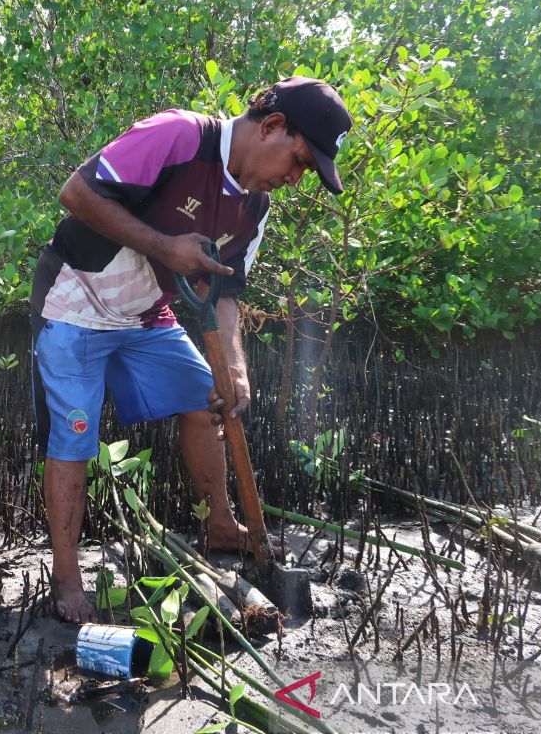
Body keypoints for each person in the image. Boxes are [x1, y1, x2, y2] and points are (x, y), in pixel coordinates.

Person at [30, 76, 353, 623]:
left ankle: (221, 524)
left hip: (144, 313)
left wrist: (234, 367)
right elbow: (76, 193)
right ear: (272, 126)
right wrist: (163, 247)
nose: (295, 180)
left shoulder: (255, 207)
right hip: (75, 301)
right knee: (75, 437)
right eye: (298, 162)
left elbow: (223, 291)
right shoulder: (178, 136)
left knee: (211, 399)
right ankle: (66, 578)